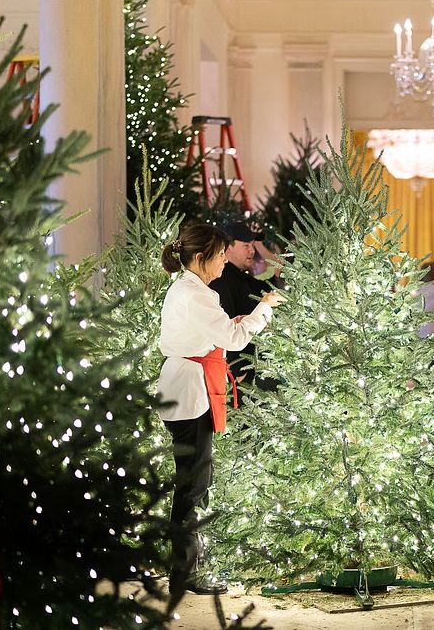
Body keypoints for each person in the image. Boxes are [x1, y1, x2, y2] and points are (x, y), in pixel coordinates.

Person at [156, 223, 283, 595]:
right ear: (200, 259)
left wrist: (235, 324)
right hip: (190, 390)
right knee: (193, 486)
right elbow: (232, 338)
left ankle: (186, 569)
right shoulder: (195, 295)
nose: (225, 262)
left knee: (193, 483)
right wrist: (263, 309)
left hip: (186, 385)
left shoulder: (190, 291)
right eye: (219, 255)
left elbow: (218, 332)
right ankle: (184, 573)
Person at [209, 220, 281, 391]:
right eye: (246, 245)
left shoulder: (243, 278)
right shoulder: (222, 280)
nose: (252, 251)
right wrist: (237, 369)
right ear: (229, 247)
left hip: (255, 370)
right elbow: (225, 326)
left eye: (252, 245)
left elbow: (279, 272)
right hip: (240, 377)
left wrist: (260, 245)